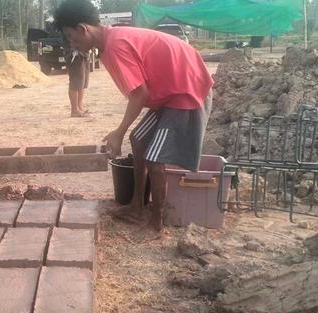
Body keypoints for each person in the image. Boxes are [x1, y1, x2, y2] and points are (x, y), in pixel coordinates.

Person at [54, 0, 214, 242]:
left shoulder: (116, 45)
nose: (72, 44)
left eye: (71, 37)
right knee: (138, 140)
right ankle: (137, 206)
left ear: (83, 28)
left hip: (186, 90)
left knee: (154, 157)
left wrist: (117, 131)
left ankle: (156, 223)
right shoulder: (109, 44)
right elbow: (140, 92)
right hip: (168, 93)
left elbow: (140, 94)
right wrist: (123, 132)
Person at [65, 42, 90, 117]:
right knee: (75, 82)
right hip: (74, 53)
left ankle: (79, 107)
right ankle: (74, 110)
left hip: (84, 53)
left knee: (82, 82)